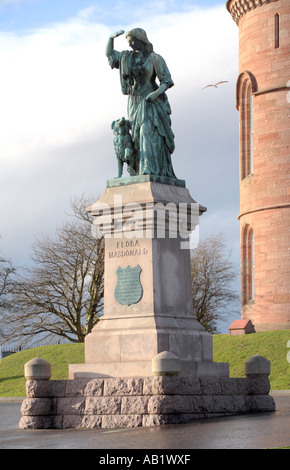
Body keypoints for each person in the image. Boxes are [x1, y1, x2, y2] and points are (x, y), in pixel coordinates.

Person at [105, 28, 176, 178]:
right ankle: (139, 170)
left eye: (133, 41)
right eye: (129, 42)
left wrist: (155, 94)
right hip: (133, 101)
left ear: (141, 40)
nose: (130, 45)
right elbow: (110, 55)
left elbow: (166, 81)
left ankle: (149, 168)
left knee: (146, 131)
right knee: (136, 137)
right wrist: (111, 39)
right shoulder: (127, 58)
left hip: (151, 101)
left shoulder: (155, 58)